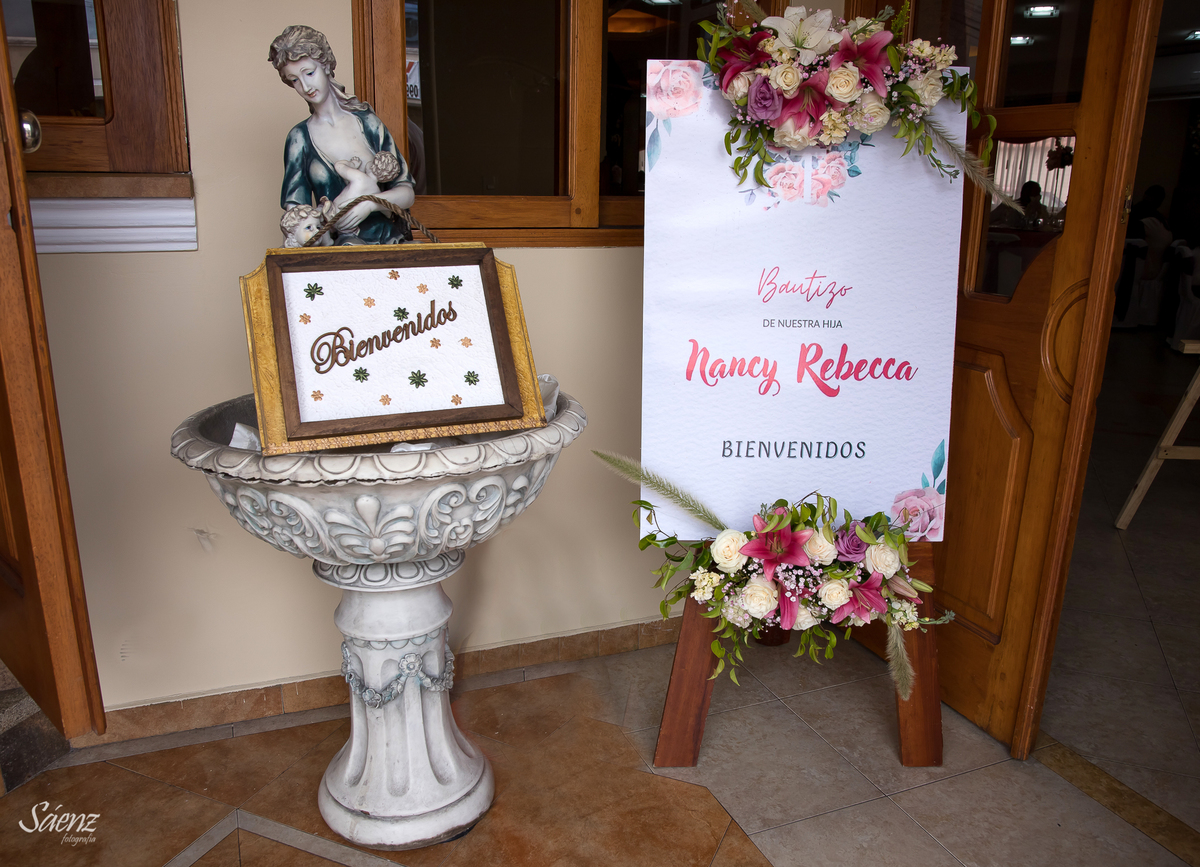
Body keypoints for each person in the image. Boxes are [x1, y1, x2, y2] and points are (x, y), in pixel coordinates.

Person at [269, 25, 414, 245]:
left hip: (388, 242)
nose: (306, 86)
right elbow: (295, 219)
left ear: (325, 65)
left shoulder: (368, 123)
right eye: (295, 80)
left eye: (309, 73)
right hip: (338, 248)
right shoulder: (299, 138)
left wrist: (370, 204)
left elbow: (406, 193)